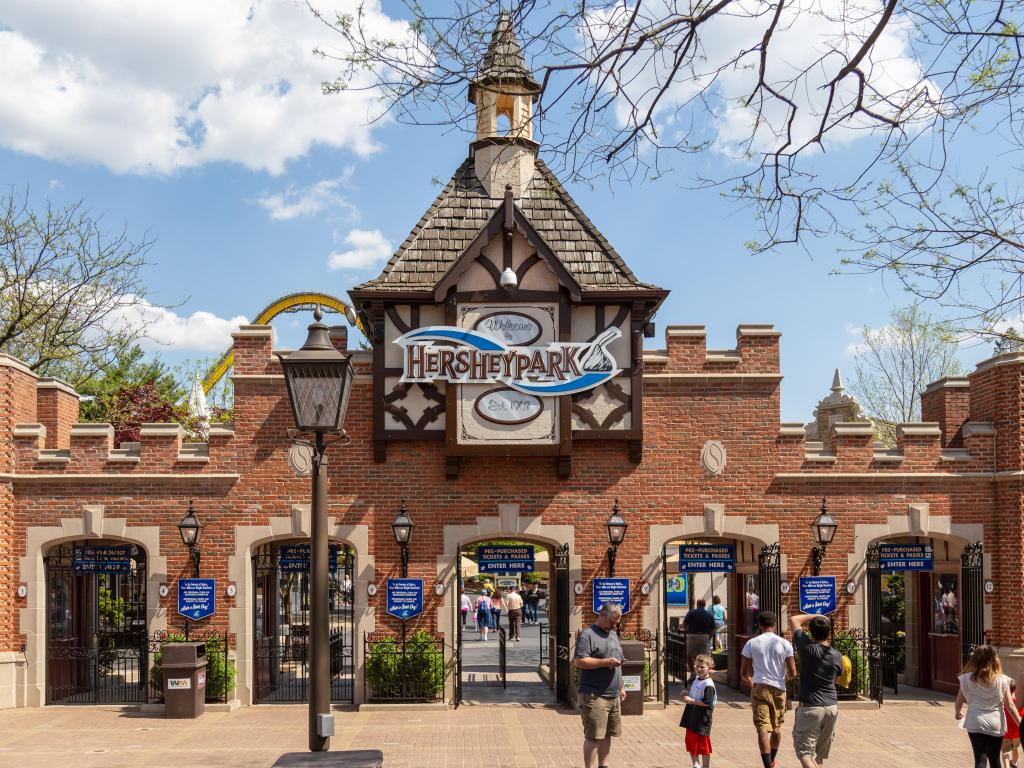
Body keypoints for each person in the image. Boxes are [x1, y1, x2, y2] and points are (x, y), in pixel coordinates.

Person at [741, 610, 796, 768]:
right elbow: (793, 672)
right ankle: (772, 759)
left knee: (762, 728)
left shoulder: (751, 643)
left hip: (760, 686)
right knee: (777, 728)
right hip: (779, 688)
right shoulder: (785, 643)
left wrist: (751, 682)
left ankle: (767, 764)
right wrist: (785, 678)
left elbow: (743, 672)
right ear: (775, 625)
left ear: (758, 625)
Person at [574, 603, 627, 768]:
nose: (614, 625)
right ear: (602, 615)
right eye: (612, 621)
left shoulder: (613, 634)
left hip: (613, 694)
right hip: (594, 694)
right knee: (594, 736)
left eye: (616, 623)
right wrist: (605, 662)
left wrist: (621, 686)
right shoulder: (587, 635)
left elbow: (618, 662)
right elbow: (579, 661)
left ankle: (603, 765)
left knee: (607, 734)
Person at [789, 612, 843, 768]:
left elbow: (794, 619)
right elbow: (837, 679)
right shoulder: (837, 655)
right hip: (831, 707)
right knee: (819, 757)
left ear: (810, 632)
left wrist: (816, 615)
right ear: (829, 632)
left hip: (811, 707)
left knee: (804, 752)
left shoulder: (807, 649)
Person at [956, 645, 1021, 768]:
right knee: (994, 758)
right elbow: (1010, 705)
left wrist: (957, 712)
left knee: (980, 758)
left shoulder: (967, 679)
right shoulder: (1003, 680)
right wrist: (1020, 723)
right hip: (996, 722)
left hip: (975, 720)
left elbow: (959, 699)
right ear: (995, 660)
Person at [680, 653, 717, 768]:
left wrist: (691, 701)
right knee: (691, 741)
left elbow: (707, 702)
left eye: (702, 667)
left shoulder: (708, 684)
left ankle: (706, 766)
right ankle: (695, 763)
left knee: (703, 743)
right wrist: (686, 694)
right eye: (697, 666)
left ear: (709, 668)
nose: (699, 669)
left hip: (702, 718)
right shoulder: (696, 679)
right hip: (691, 715)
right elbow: (694, 696)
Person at [684, 599, 716, 671]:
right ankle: (702, 672)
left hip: (692, 635)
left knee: (689, 655)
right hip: (704, 636)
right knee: (704, 657)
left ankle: (693, 673)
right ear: (704, 605)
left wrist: (686, 632)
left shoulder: (691, 612)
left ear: (697, 604)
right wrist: (709, 637)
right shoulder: (709, 614)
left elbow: (685, 623)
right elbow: (713, 629)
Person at [1003, 678, 1023, 768]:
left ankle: (1007, 766)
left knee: (1005, 751)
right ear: (1015, 689)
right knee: (1016, 749)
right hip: (1017, 733)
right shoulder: (1019, 703)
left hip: (1006, 732)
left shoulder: (1004, 703)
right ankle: (1014, 763)